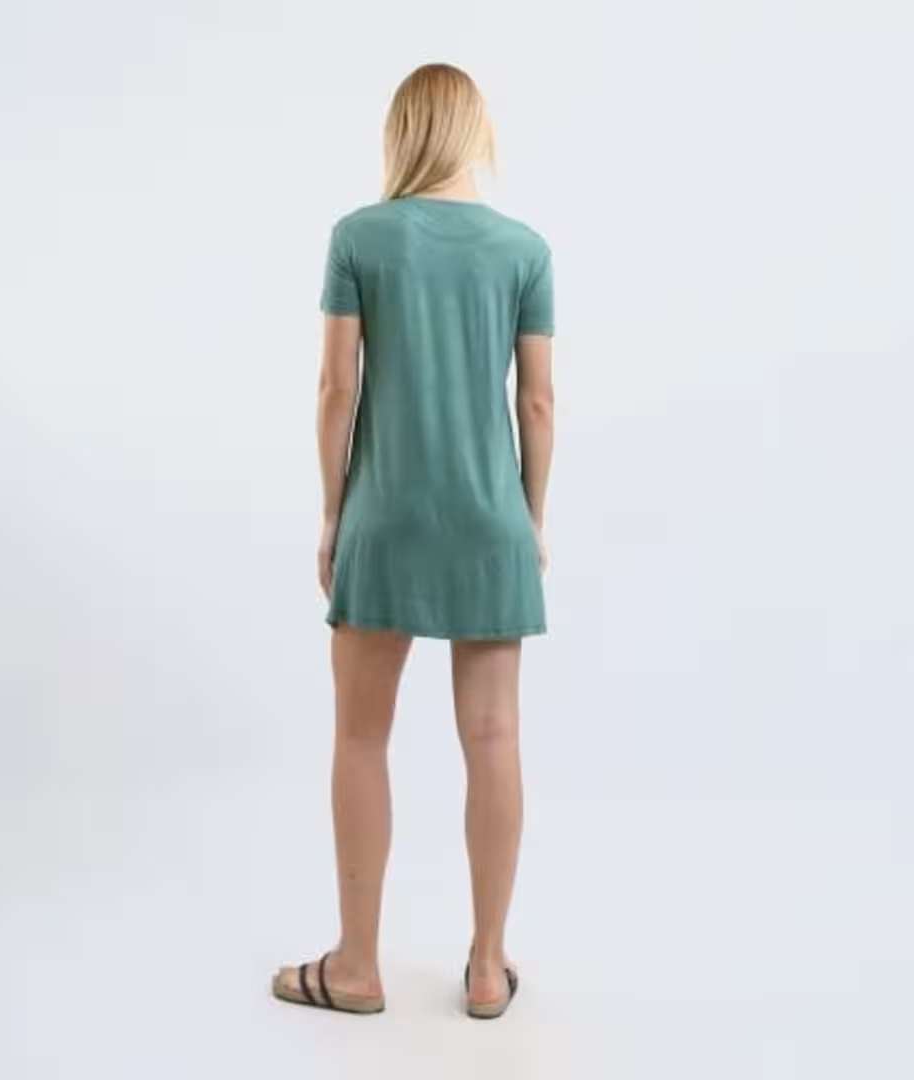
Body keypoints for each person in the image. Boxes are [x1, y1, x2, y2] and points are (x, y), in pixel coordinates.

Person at [272, 62, 555, 1021]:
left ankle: (356, 965)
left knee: (360, 735)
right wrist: (531, 518)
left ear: (402, 134)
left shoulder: (360, 237)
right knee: (495, 736)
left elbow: (335, 390)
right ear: (476, 134)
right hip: (490, 523)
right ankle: (487, 967)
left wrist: (331, 512)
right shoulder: (524, 251)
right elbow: (539, 401)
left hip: (385, 517)